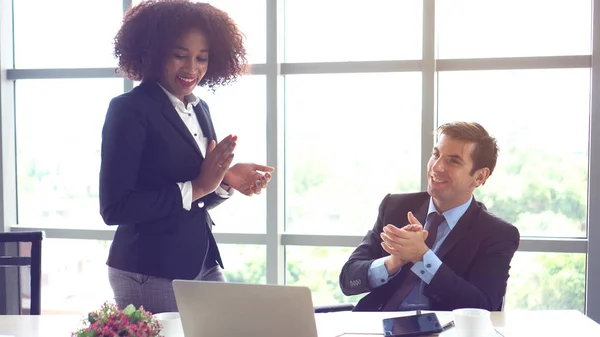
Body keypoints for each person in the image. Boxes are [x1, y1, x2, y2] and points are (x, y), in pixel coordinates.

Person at [99, 0, 274, 314]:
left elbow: (199, 195)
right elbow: (115, 207)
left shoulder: (199, 108)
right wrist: (200, 185)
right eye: (180, 55)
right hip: (149, 268)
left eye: (201, 58)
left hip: (199, 260)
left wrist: (225, 179)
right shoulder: (129, 110)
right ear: (152, 53)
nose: (192, 68)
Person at [339, 121, 520, 312]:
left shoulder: (497, 234)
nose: (437, 167)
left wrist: (422, 257)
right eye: (436, 154)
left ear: (480, 177)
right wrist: (392, 262)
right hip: (376, 328)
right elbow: (348, 280)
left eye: (453, 161)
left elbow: (483, 307)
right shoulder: (395, 207)